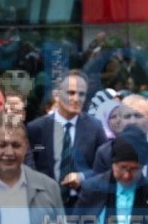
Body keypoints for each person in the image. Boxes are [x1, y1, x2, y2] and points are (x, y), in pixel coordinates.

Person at [26, 71, 107, 210]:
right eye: (71, 93)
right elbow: (28, 167)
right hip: (45, 204)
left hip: (82, 204)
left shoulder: (95, 127)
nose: (76, 99)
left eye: (81, 94)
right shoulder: (37, 128)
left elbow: (105, 167)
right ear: (56, 95)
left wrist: (82, 177)